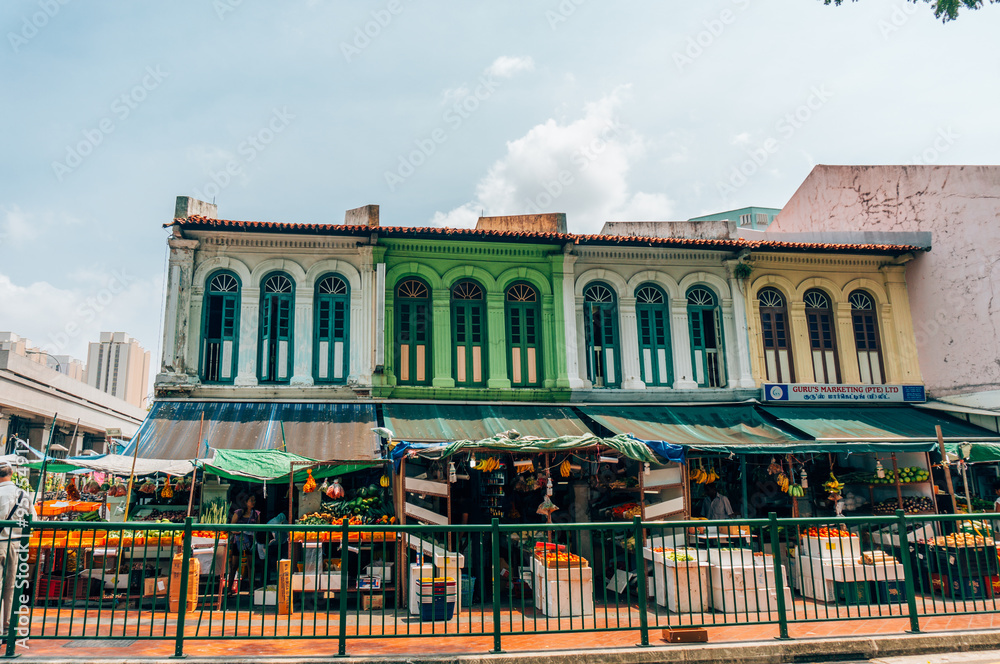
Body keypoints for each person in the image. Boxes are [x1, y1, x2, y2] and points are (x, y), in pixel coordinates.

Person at [0, 463, 35, 632]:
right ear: (12, 473)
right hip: (16, 544)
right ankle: (8, 627)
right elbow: (33, 520)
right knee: (10, 586)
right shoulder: (23, 494)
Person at [227, 494, 260, 595]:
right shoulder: (238, 513)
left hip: (250, 542)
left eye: (254, 500)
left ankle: (251, 589)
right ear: (246, 502)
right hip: (238, 541)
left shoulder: (257, 514)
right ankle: (229, 589)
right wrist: (239, 532)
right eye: (251, 500)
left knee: (250, 565)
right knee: (234, 565)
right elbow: (232, 527)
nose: (253, 502)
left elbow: (258, 528)